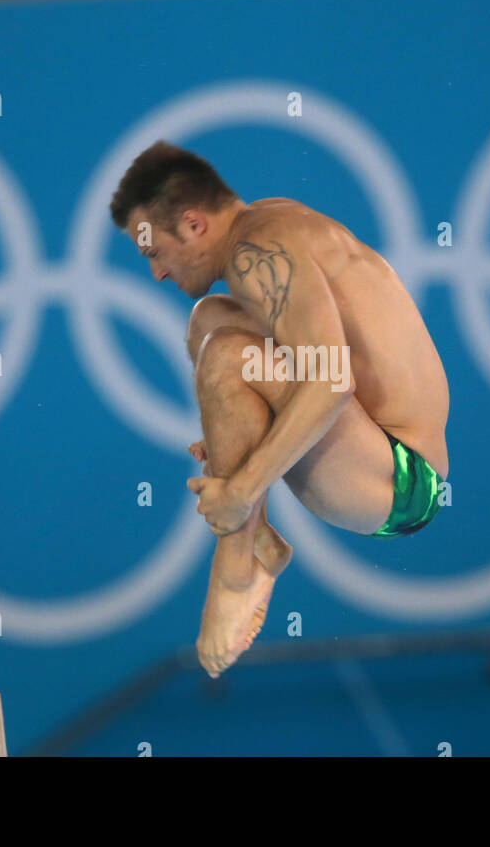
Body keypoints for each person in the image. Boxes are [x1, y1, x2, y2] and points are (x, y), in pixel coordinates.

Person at [109, 141, 450, 677]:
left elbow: (331, 382)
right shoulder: (270, 220)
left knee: (224, 354)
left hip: (403, 481)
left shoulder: (256, 254)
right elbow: (314, 359)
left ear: (194, 225)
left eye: (153, 251)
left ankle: (239, 565)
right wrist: (234, 425)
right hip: (367, 443)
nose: (156, 273)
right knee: (209, 322)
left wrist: (238, 490)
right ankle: (261, 538)